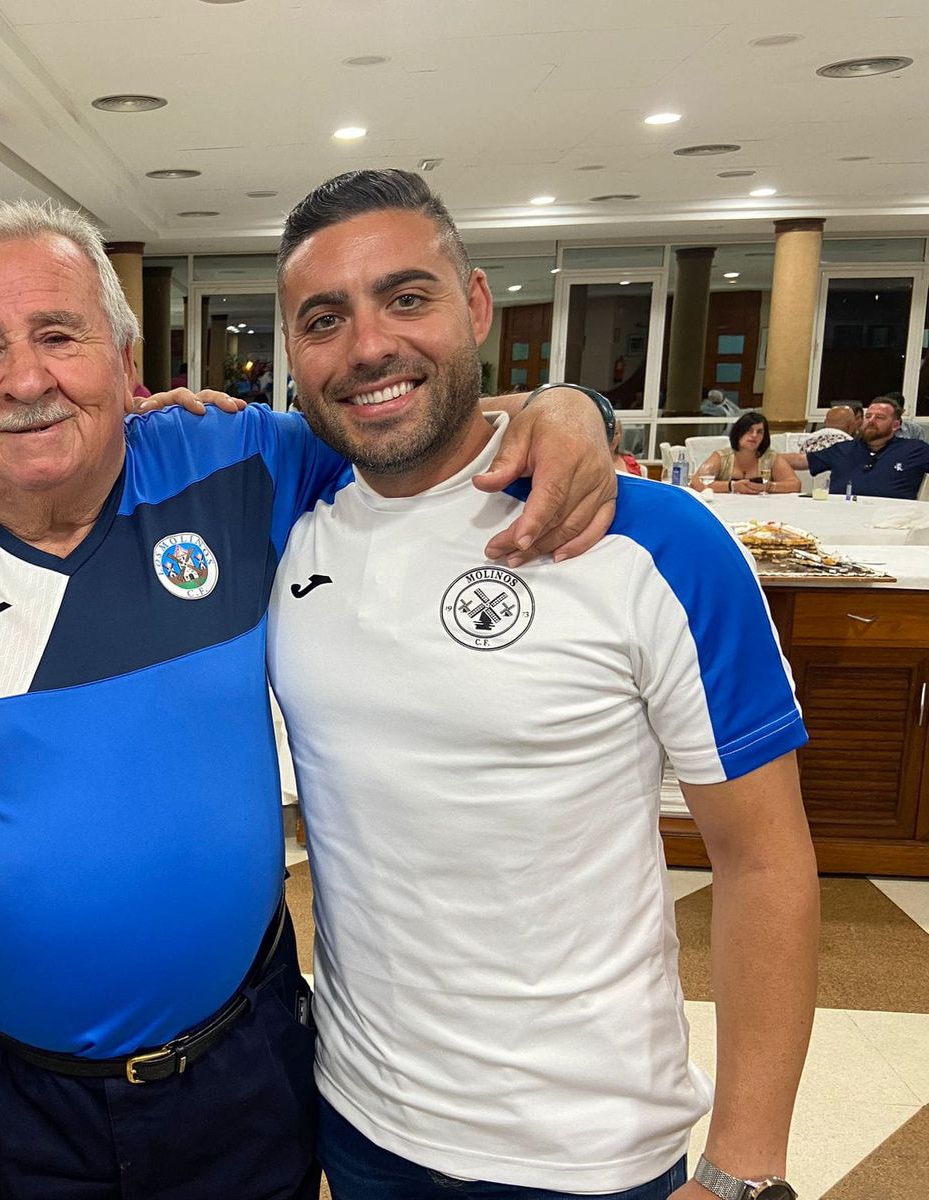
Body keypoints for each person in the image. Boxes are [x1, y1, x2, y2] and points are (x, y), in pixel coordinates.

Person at [0, 198, 619, 1200]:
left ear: (126, 364)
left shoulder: (243, 463)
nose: (27, 378)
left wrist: (568, 405)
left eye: (58, 335)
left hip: (240, 1075)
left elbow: (416, 434)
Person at [266, 168, 816, 1200]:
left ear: (475, 305)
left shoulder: (656, 542)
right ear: (292, 352)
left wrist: (744, 1169)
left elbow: (764, 862)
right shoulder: (288, 523)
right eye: (323, 319)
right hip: (354, 1116)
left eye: (407, 297)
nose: (369, 345)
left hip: (584, 1146)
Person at [781, 396, 929, 499]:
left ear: (896, 425)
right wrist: (764, 455)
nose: (871, 421)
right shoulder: (843, 448)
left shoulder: (914, 450)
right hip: (841, 515)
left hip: (892, 521)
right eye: (868, 416)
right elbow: (801, 461)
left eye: (879, 417)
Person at [691, 411, 798, 494]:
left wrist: (769, 487)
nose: (754, 435)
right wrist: (731, 486)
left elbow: (795, 485)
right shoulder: (721, 457)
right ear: (738, 432)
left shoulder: (770, 458)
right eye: (749, 430)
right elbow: (695, 483)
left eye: (759, 432)